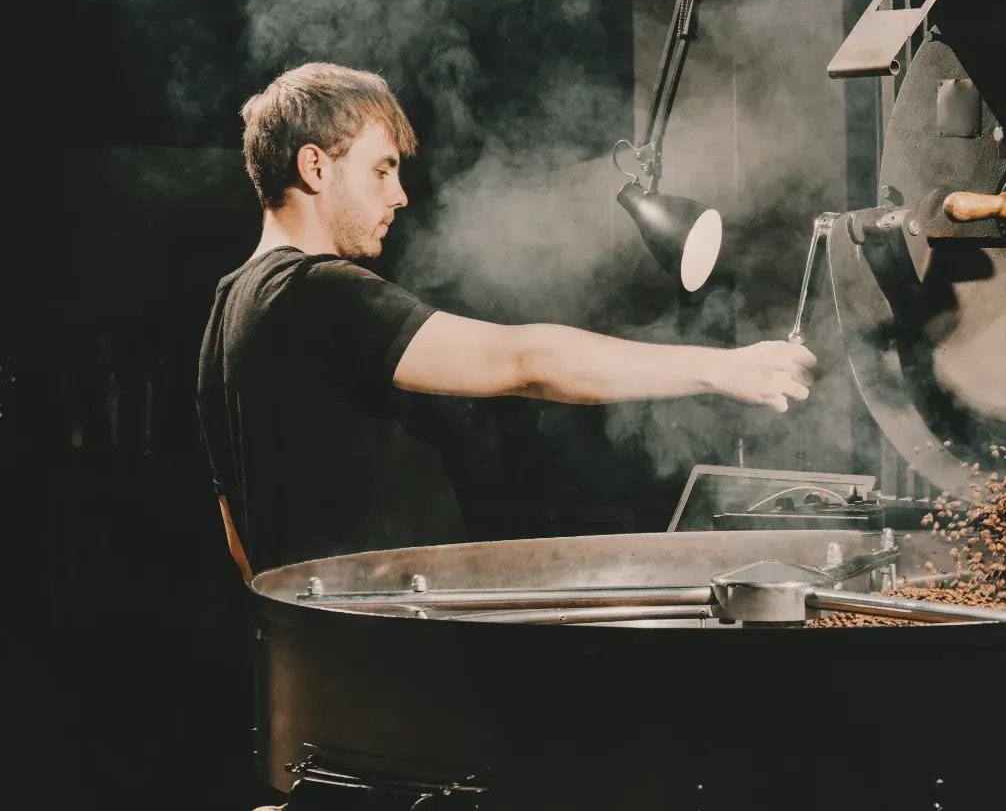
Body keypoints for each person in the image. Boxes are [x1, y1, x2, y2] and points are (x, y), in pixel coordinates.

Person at [197, 62, 816, 577]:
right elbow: (524, 362)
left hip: (313, 662)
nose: (399, 195)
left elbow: (238, 537)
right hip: (386, 664)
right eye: (382, 169)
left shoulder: (229, 309)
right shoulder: (320, 292)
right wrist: (727, 368)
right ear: (315, 167)